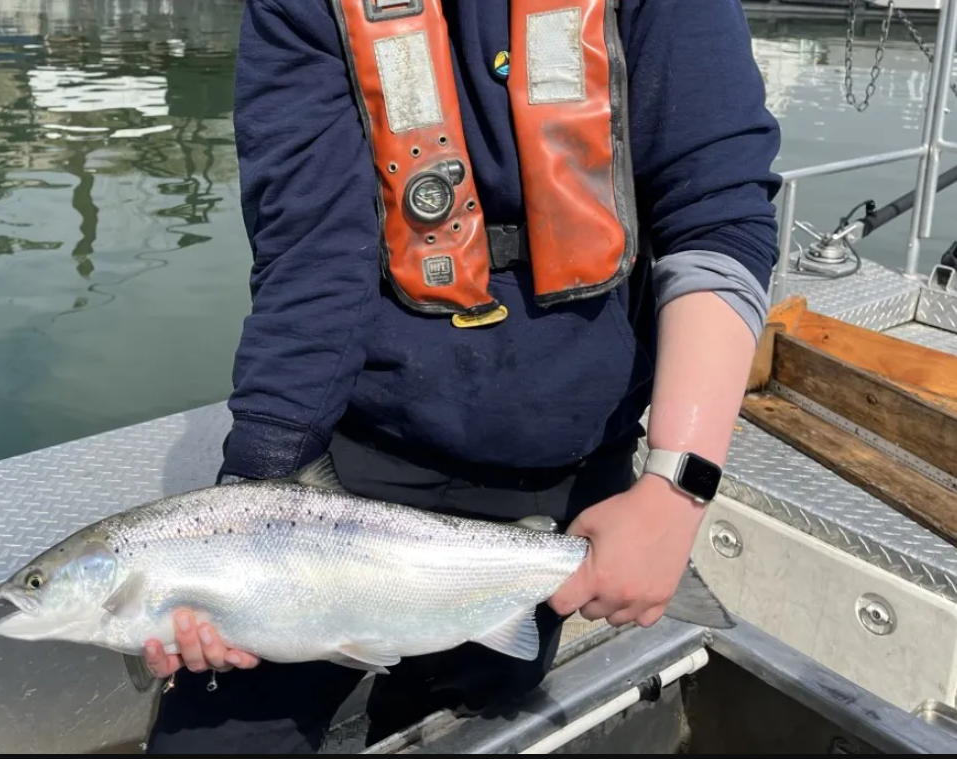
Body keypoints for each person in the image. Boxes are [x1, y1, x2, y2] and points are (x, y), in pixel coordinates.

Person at [143, 0, 781, 752]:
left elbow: (716, 216)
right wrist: (249, 492)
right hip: (353, 465)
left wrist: (676, 487)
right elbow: (308, 256)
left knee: (455, 724)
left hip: (559, 477)